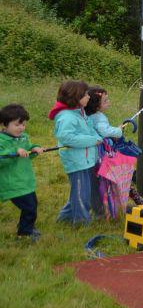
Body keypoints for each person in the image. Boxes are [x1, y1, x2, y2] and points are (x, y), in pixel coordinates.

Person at [50, 80, 103, 225]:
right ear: (76, 97)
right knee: (81, 195)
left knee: (81, 192)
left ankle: (64, 218)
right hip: (76, 162)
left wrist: (97, 137)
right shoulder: (67, 117)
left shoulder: (80, 113)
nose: (89, 97)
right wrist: (93, 140)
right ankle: (81, 222)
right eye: (86, 94)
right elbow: (67, 138)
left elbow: (90, 129)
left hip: (85, 160)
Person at [0, 104, 44, 240]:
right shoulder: (1, 141)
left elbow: (28, 153)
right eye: (17, 125)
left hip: (26, 181)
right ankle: (24, 234)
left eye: (23, 124)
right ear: (4, 124)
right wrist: (15, 152)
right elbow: (2, 159)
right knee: (29, 207)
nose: (21, 128)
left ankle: (26, 226)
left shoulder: (24, 137)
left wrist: (34, 149)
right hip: (12, 183)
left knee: (32, 205)